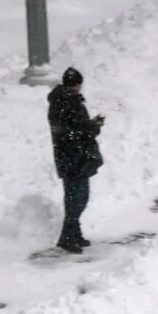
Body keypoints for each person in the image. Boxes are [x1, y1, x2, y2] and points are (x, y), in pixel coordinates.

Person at [47, 67, 105, 254]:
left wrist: (90, 125)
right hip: (73, 158)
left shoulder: (64, 101)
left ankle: (74, 233)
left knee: (78, 197)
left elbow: (73, 129)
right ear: (76, 84)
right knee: (77, 198)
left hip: (73, 157)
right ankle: (67, 237)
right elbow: (71, 132)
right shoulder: (66, 103)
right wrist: (92, 126)